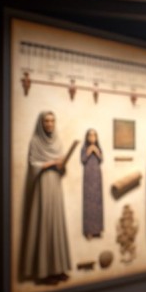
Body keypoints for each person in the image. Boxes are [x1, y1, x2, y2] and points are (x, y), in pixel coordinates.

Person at [21, 111, 72, 283]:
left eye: (52, 121)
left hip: (55, 186)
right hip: (42, 185)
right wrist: (51, 163)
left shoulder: (57, 141)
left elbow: (62, 168)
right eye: (46, 121)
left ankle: (58, 269)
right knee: (43, 224)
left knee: (56, 225)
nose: (49, 124)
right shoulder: (35, 141)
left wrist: (62, 164)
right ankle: (43, 273)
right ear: (41, 123)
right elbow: (33, 164)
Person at [81, 128, 103, 239]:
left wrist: (96, 150)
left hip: (97, 177)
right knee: (89, 204)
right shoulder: (84, 148)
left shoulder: (98, 147)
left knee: (98, 203)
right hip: (88, 178)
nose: (92, 137)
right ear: (87, 137)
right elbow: (83, 159)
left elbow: (101, 159)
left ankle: (97, 230)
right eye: (90, 135)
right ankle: (89, 230)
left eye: (94, 135)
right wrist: (89, 151)